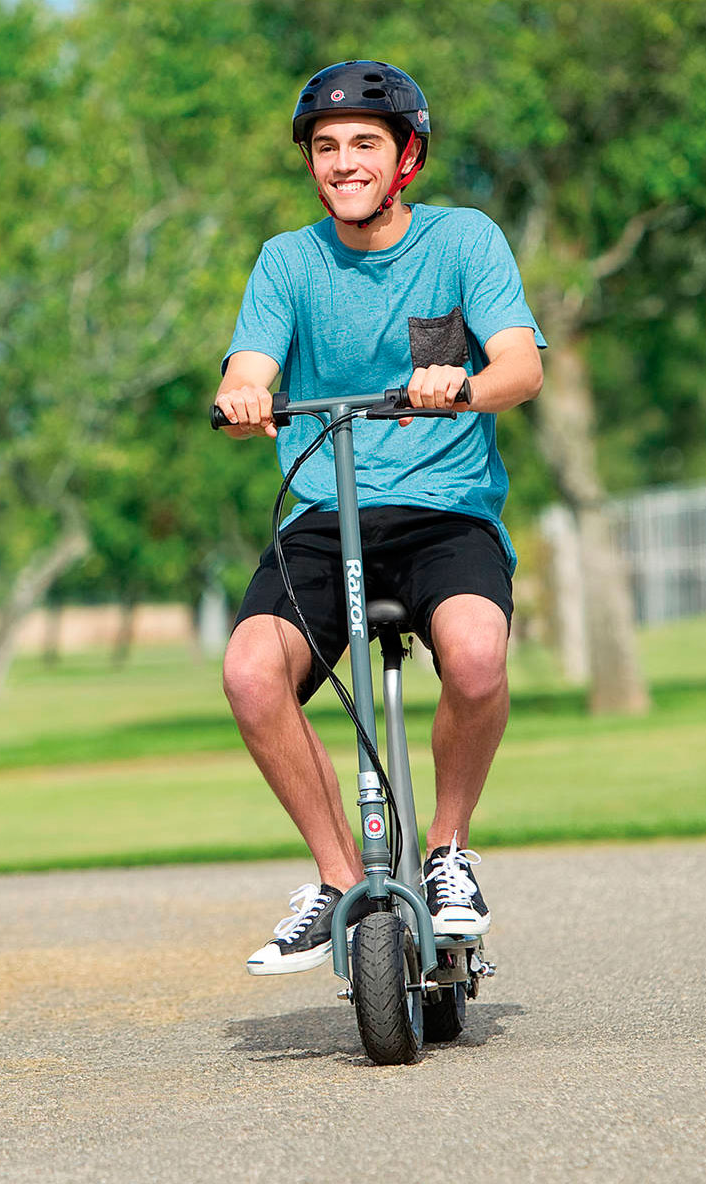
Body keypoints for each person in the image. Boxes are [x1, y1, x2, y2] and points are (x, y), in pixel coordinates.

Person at [212, 60, 545, 976]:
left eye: (365, 143)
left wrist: (463, 384)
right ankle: (336, 880)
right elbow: (252, 364)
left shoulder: (464, 241)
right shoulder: (288, 261)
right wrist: (244, 395)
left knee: (477, 657)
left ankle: (446, 853)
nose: (343, 161)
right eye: (326, 147)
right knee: (248, 672)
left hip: (445, 515)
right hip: (326, 513)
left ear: (406, 158)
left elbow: (521, 367)